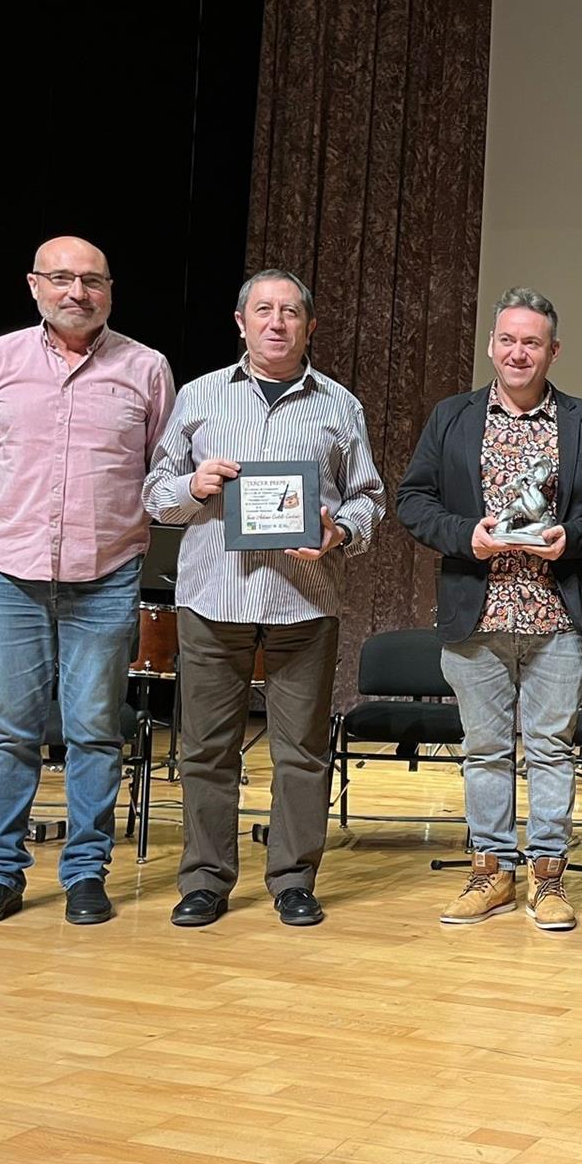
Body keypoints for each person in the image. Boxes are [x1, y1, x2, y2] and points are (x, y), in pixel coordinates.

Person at [143, 269, 386, 927]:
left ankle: (292, 881)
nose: (276, 322)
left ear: (309, 326)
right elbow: (155, 494)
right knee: (205, 751)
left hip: (302, 604)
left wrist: (339, 531)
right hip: (212, 600)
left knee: (301, 754)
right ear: (240, 321)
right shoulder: (197, 397)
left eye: (290, 312)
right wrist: (192, 486)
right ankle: (204, 881)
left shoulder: (340, 404)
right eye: (263, 310)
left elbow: (369, 498)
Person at [0, 236, 176, 926]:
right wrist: (16, 523)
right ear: (34, 286)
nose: (77, 292)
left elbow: (161, 471)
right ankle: (0, 874)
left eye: (92, 280)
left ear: (111, 289)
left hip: (105, 575)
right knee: (11, 732)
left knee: (94, 731)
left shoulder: (146, 367)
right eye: (62, 279)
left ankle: (85, 873)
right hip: (9, 573)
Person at [397, 287, 582, 930]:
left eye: (532, 342)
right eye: (508, 340)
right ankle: (489, 873)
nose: (518, 352)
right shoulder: (453, 417)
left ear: (553, 350)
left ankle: (549, 877)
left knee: (552, 747)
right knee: (485, 749)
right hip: (476, 613)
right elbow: (414, 502)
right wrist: (467, 535)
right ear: (492, 346)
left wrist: (570, 538)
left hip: (556, 614)